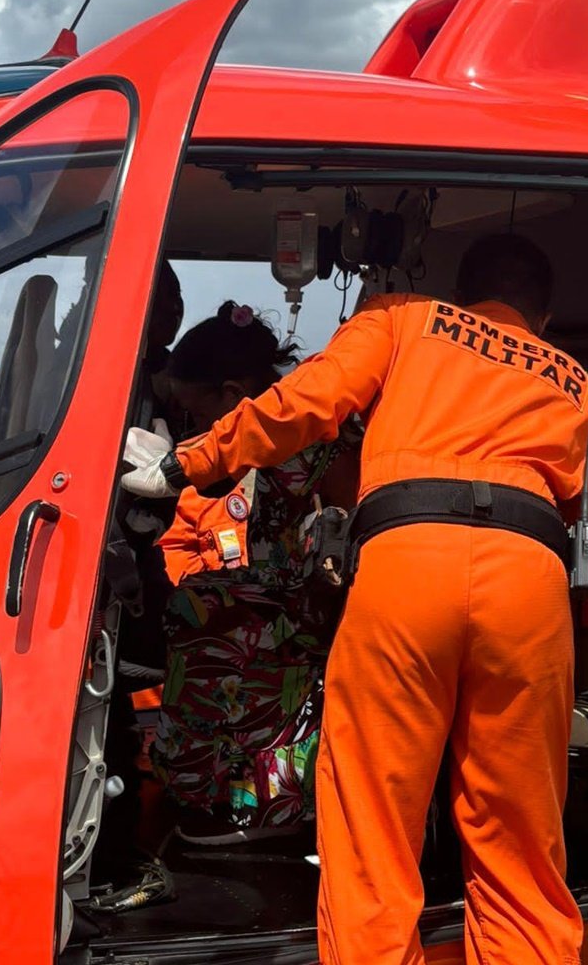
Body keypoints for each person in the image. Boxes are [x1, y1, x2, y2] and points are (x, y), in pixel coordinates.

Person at [118, 233, 588, 964]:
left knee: (372, 832)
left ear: (465, 294)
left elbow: (305, 403)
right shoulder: (586, 392)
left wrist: (190, 462)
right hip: (532, 585)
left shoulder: (404, 317)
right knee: (521, 849)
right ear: (544, 318)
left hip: (405, 564)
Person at [150, 303, 361, 844]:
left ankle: (260, 800)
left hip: (323, 602)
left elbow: (358, 515)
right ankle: (203, 785)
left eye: (199, 416)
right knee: (194, 600)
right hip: (283, 589)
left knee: (215, 618)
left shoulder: (315, 437)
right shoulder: (272, 433)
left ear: (232, 393)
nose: (197, 429)